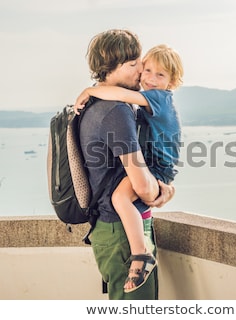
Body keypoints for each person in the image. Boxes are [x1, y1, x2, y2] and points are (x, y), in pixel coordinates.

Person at [74, 44, 183, 293]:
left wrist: (91, 90)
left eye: (160, 74)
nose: (146, 76)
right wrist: (160, 189)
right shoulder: (115, 111)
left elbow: (125, 96)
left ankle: (140, 254)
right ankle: (140, 254)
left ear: (171, 81)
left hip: (157, 169)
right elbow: (144, 189)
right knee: (121, 197)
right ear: (113, 67)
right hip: (119, 230)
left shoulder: (154, 100)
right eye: (141, 68)